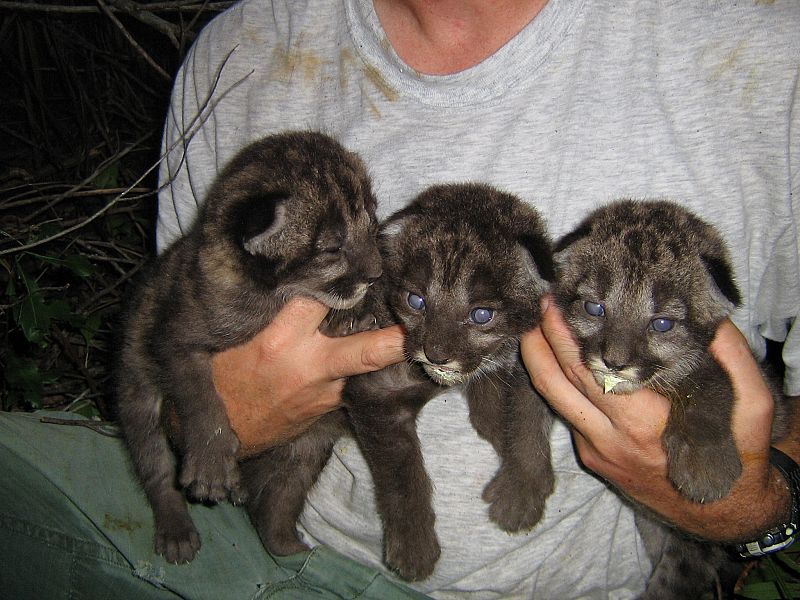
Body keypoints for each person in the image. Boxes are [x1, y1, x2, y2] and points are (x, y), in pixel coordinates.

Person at [1, 1, 798, 598]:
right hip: (294, 569)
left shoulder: (767, 53)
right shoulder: (240, 50)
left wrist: (766, 508)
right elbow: (173, 350)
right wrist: (213, 419)